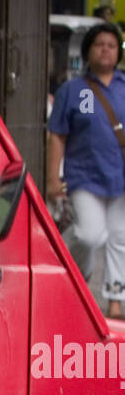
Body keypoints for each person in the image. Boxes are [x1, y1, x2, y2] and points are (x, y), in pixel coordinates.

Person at [47, 22, 125, 318]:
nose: (106, 49)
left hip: (121, 177)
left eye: (111, 45)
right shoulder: (75, 90)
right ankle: (66, 265)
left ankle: (115, 302)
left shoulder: (124, 87)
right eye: (99, 44)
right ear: (88, 51)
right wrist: (53, 178)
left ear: (118, 52)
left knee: (120, 238)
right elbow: (58, 134)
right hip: (85, 176)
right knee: (89, 235)